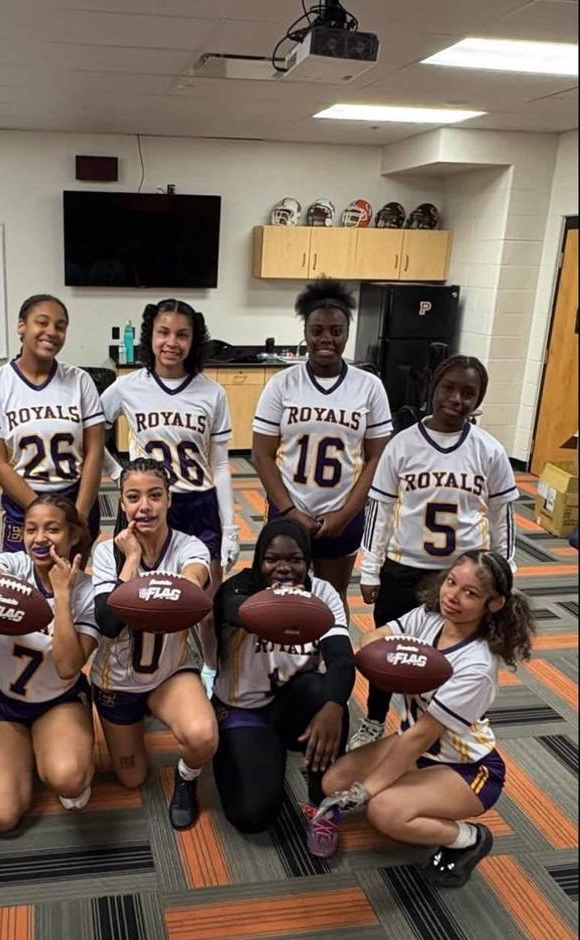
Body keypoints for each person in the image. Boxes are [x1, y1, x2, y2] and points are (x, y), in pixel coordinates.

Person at [317, 550, 534, 884]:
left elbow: (422, 736)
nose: (453, 597)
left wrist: (367, 790)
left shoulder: (477, 665)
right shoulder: (430, 616)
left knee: (382, 809)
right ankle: (413, 791)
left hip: (467, 768)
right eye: (451, 582)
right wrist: (393, 660)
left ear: (493, 604)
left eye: (470, 593)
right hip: (415, 746)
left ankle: (469, 838)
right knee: (333, 781)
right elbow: (372, 639)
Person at [350, 355, 519, 750]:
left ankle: (440, 725)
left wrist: (505, 573)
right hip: (404, 567)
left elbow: (502, 518)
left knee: (457, 654)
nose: (456, 398)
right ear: (434, 388)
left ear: (478, 400)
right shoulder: (402, 444)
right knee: (387, 653)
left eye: (468, 393)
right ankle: (375, 719)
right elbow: (379, 510)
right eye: (449, 388)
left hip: (462, 577)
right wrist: (371, 568)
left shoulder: (489, 451)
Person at [100, 299, 237, 692]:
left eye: (182, 334)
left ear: (194, 340)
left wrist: (230, 528)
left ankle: (211, 673)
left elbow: (223, 465)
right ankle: (135, 674)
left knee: (205, 607)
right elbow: (93, 432)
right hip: (147, 508)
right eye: (163, 332)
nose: (171, 342)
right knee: (137, 597)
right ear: (150, 336)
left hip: (197, 503)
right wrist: (118, 475)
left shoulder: (212, 393)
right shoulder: (127, 386)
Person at [212, 519, 355, 856]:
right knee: (252, 815)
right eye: (272, 559)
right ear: (259, 560)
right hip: (242, 708)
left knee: (329, 696)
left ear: (308, 561)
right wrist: (281, 603)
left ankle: (323, 804)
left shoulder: (323, 593)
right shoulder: (238, 588)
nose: (284, 568)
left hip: (293, 704)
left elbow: (342, 660)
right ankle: (250, 752)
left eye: (295, 559)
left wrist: (334, 706)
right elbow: (234, 611)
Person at [91, 458, 218, 830]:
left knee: (202, 736)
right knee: (132, 778)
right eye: (133, 497)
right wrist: (131, 559)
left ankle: (186, 778)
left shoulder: (188, 546)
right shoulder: (106, 552)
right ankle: (136, 716)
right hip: (117, 680)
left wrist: (183, 584)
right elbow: (109, 624)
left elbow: (193, 589)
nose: (144, 506)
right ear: (122, 503)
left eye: (154, 496)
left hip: (169, 672)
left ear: (168, 501)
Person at [251, 277, 392, 608]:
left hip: (342, 510)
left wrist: (345, 514)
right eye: (317, 331)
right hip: (289, 508)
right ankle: (282, 660)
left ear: (346, 333)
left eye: (336, 331)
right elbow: (261, 454)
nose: (326, 338)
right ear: (305, 332)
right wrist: (288, 510)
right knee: (280, 596)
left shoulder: (369, 387)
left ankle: (331, 660)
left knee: (332, 599)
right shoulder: (282, 384)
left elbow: (377, 459)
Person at [0, 495, 99, 832]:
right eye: (31, 529)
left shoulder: (87, 591)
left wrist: (61, 596)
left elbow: (68, 667)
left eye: (52, 529)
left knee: (68, 779)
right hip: (3, 697)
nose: (39, 538)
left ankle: (56, 746)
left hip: (57, 698)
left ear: (73, 536)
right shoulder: (10, 565)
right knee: (1, 817)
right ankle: (23, 749)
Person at [0, 294, 104, 556]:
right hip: (24, 500)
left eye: (60, 326)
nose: (52, 332)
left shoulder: (80, 380)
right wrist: (41, 514)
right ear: (22, 326)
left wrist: (77, 515)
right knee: (24, 586)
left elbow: (95, 452)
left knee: (74, 579)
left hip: (76, 498)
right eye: (41, 323)